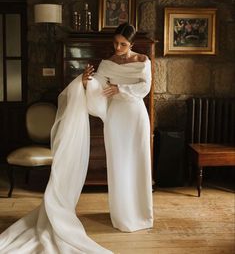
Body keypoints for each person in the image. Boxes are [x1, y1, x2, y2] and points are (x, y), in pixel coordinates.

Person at [0, 23, 153, 253]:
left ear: (132, 44)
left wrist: (122, 90)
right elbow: (98, 86)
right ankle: (122, 216)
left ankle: (141, 215)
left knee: (138, 162)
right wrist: (86, 82)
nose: (118, 47)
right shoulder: (108, 63)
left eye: (123, 44)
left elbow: (145, 87)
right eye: (116, 43)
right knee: (119, 165)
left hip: (136, 116)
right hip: (115, 118)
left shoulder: (143, 61)